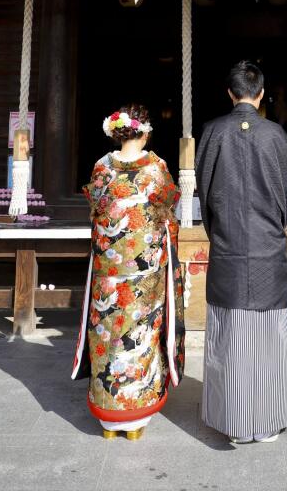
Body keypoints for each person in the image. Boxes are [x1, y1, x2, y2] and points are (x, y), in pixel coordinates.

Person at [195, 60, 287, 444]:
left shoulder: (211, 133)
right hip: (268, 248)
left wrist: (219, 232)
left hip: (228, 246)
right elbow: (285, 195)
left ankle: (233, 423)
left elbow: (205, 195)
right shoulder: (275, 136)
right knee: (271, 336)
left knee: (230, 336)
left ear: (229, 93)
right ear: (260, 95)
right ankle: (269, 420)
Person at [71, 103, 185, 440]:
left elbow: (96, 210)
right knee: (140, 336)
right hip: (144, 272)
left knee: (106, 334)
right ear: (146, 131)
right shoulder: (156, 167)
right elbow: (169, 206)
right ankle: (135, 416)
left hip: (108, 267)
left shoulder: (101, 168)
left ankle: (109, 416)